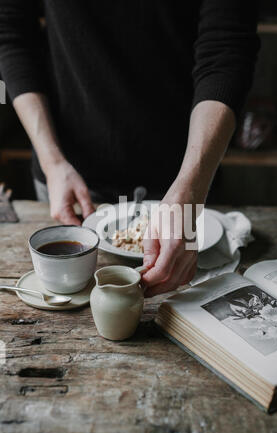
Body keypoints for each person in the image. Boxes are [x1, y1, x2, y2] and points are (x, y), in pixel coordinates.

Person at [0, 1, 260, 296]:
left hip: (188, 173)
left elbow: (227, 47)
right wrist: (52, 161)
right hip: (67, 173)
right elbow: (11, 32)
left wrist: (191, 189)